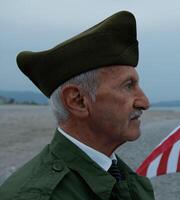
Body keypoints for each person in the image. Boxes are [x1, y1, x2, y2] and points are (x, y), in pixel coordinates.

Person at [0, 11, 155, 200]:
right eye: (128, 85)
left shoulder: (127, 180)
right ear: (78, 101)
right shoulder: (35, 196)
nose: (144, 102)